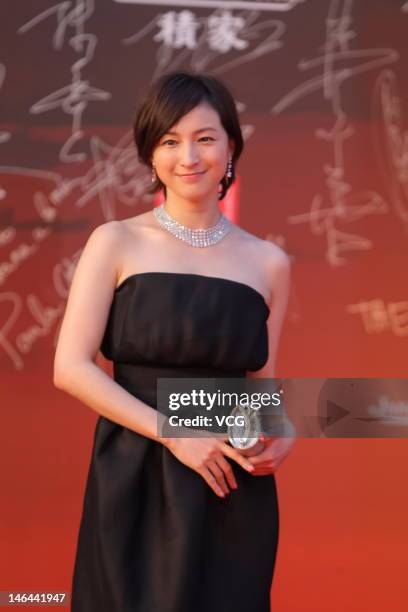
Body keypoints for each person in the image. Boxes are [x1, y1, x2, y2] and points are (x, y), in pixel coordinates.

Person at [54, 70, 296, 612]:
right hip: (136, 473)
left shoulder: (269, 263)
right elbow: (70, 367)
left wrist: (276, 431)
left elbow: (260, 386)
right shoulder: (115, 241)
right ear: (151, 153)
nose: (188, 156)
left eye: (205, 138)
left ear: (231, 146)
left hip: (231, 485)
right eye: (169, 141)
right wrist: (175, 434)